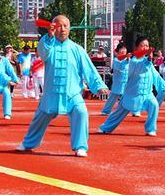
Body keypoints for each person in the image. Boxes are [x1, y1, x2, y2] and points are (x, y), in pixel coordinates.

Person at [16, 15, 109, 157]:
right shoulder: (48, 45)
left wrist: (99, 85)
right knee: (40, 118)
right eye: (59, 26)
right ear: (53, 28)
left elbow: (89, 69)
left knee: (81, 112)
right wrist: (49, 36)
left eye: (65, 26)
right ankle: (28, 143)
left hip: (72, 94)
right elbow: (42, 52)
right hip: (51, 93)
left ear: (69, 28)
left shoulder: (77, 49)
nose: (62, 29)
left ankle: (80, 146)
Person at [98, 37, 165, 136]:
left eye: (147, 46)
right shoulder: (133, 61)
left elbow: (155, 75)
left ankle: (150, 129)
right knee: (119, 113)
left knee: (154, 105)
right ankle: (106, 127)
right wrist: (149, 59)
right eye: (142, 45)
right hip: (132, 94)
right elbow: (142, 66)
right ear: (137, 47)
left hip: (147, 94)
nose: (145, 47)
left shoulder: (148, 62)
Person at [101, 42, 129, 115]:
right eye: (122, 50)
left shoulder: (129, 60)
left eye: (125, 50)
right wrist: (127, 60)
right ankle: (106, 111)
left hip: (127, 83)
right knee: (112, 98)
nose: (123, 51)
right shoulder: (116, 60)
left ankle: (134, 111)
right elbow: (120, 66)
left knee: (128, 98)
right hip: (118, 83)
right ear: (118, 51)